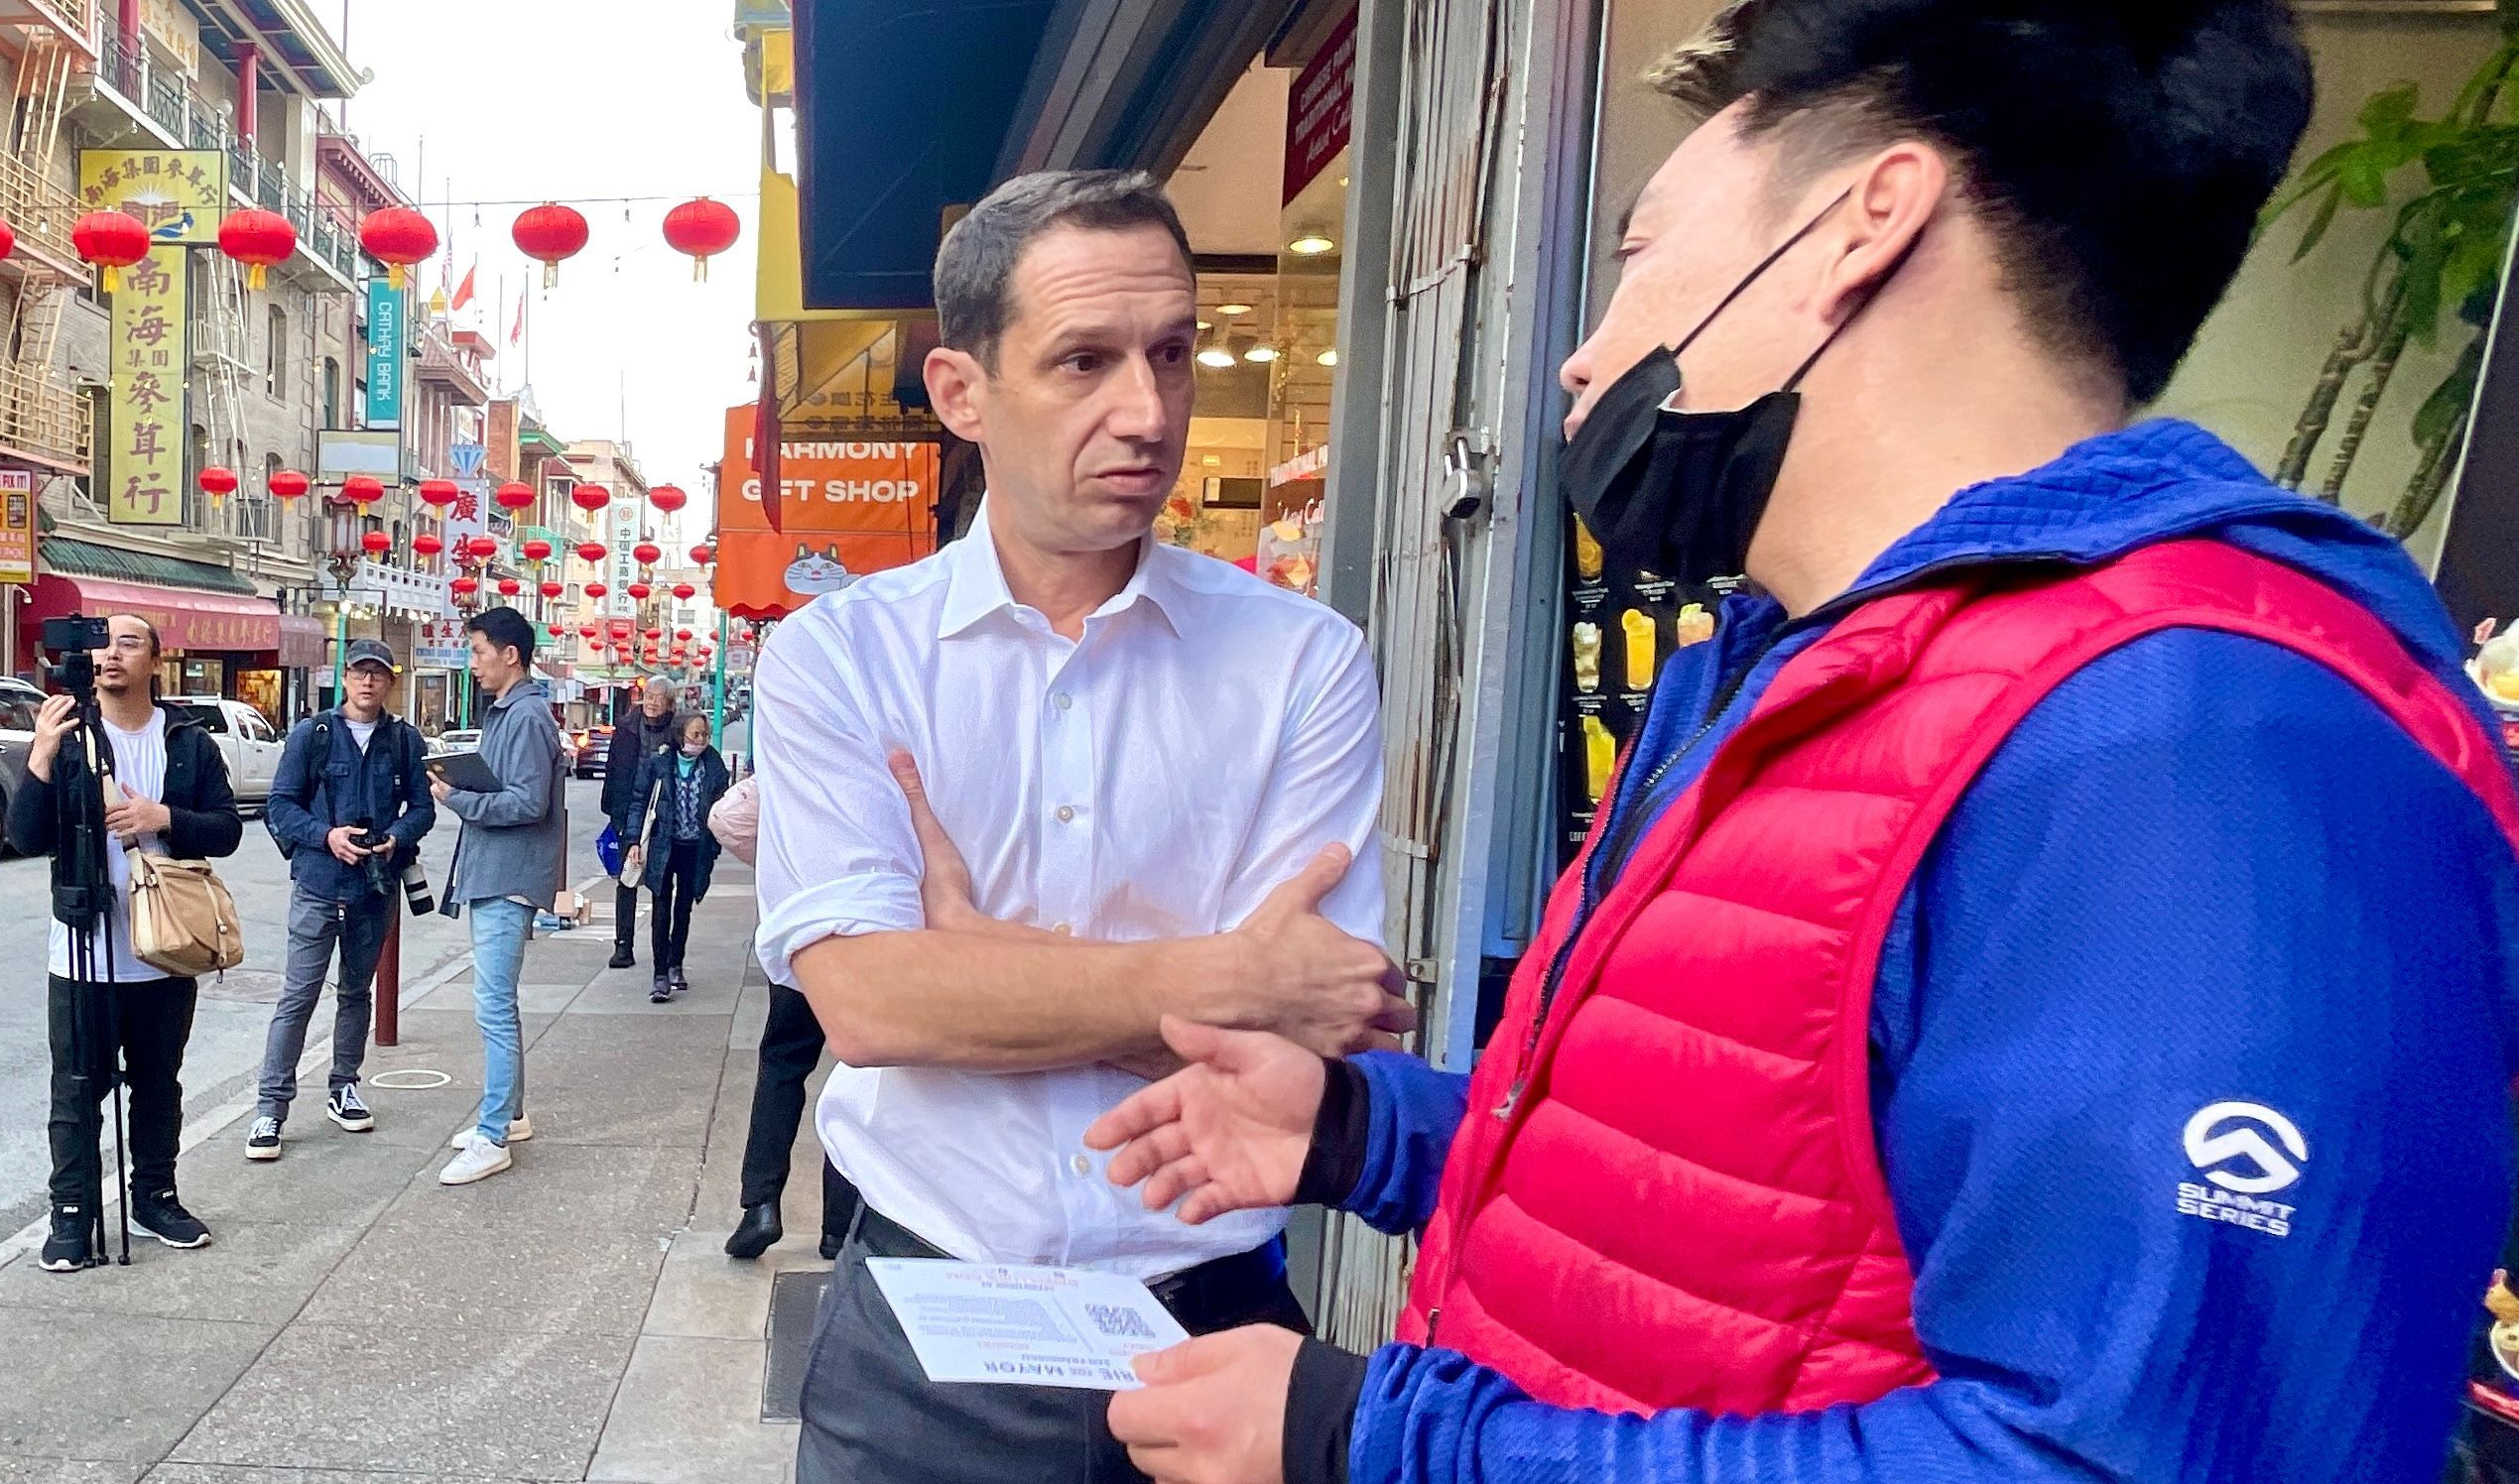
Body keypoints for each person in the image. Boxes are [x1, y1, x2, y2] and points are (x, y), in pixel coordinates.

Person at [1067, 4, 2519, 1482]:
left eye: (1638, 257)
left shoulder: (2198, 749)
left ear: (1857, 224)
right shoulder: (1782, 675)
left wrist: (1371, 1441)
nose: (1583, 360)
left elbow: (2129, 1453)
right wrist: (1359, 1132)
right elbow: (1731, 1212)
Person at [749, 168, 1412, 1484]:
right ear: (959, 392)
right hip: (929, 1326)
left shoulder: (1301, 661)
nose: (1148, 409)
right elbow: (873, 1006)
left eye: (1169, 353)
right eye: (1082, 361)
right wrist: (1218, 975)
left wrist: (980, 956)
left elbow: (1315, 1019)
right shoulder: (842, 659)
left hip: (1212, 1326)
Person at [14, 614, 243, 1272]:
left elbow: (225, 830)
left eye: (129, 642)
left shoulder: (187, 742)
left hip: (167, 946)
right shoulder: (68, 735)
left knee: (157, 1084)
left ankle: (155, 1197)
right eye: (101, 642)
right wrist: (39, 756)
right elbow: (29, 838)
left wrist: (161, 818)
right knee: (76, 1089)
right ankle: (71, 1214)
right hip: (82, 951)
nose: (110, 654)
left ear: (155, 660)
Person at [246, 638, 435, 1159]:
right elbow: (280, 806)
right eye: (359, 672)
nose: (367, 681)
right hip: (318, 884)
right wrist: (326, 836)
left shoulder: (404, 741)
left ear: (389, 682)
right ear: (344, 678)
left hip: (375, 886)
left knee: (356, 993)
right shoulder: (314, 734)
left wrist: (397, 834)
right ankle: (270, 1109)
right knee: (298, 995)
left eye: (377, 673)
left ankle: (344, 1085)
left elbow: (423, 808)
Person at [433, 606, 565, 1186]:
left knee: (493, 1007)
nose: (474, 662)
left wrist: (458, 798)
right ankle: (507, 1115)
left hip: (508, 877)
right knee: (495, 1004)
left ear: (510, 653)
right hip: (493, 871)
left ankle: (491, 1136)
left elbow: (527, 802)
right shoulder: (509, 712)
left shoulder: (528, 716)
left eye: (480, 650)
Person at [707, 775, 861, 1262]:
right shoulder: (884, 757)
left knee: (781, 1068)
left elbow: (726, 818)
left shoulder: (792, 761)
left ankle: (761, 1205)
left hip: (800, 936)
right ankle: (840, 1225)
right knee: (860, 1075)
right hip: (869, 941)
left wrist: (771, 856)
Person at [621, 710, 729, 1002]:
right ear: (681, 734)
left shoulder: (713, 765)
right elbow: (638, 802)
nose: (701, 741)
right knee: (661, 908)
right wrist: (633, 840)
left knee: (684, 908)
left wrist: (717, 842)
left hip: (696, 848)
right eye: (696, 735)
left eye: (705, 735)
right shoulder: (659, 763)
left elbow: (722, 806)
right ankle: (660, 974)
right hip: (662, 846)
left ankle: (676, 964)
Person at [600, 676, 678, 969]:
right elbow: (614, 768)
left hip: (663, 814)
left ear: (669, 703)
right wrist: (612, 807)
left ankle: (663, 949)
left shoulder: (676, 731)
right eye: (649, 696)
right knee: (627, 878)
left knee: (660, 883)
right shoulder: (626, 728)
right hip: (628, 810)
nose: (653, 702)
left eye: (659, 697)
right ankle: (623, 946)